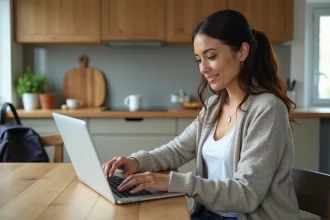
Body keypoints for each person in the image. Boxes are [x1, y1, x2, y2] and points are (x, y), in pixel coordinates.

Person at [102, 9, 300, 220]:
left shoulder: (268, 109)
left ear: (242, 52)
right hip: (207, 213)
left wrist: (172, 182)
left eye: (211, 56)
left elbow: (246, 194)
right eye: (198, 59)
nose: (203, 68)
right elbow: (177, 150)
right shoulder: (215, 105)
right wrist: (136, 161)